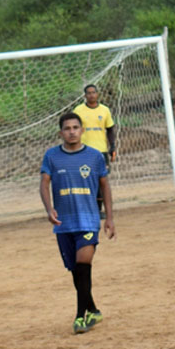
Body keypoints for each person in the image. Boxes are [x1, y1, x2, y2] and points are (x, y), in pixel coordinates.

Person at [40, 112, 116, 334]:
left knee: (84, 266)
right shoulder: (52, 157)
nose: (72, 131)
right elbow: (44, 184)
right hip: (64, 223)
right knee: (76, 272)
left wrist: (109, 217)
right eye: (67, 128)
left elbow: (105, 187)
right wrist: (48, 208)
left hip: (88, 221)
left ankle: (80, 317)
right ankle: (92, 309)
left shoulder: (94, 157)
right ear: (60, 132)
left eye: (75, 127)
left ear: (82, 130)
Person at [74, 84, 117, 213]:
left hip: (101, 152)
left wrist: (112, 147)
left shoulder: (104, 110)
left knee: (101, 181)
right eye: (89, 93)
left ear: (97, 94)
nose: (91, 95)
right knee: (85, 180)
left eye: (94, 92)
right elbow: (73, 129)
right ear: (85, 96)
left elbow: (110, 129)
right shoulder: (78, 111)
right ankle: (87, 209)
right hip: (84, 152)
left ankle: (99, 211)